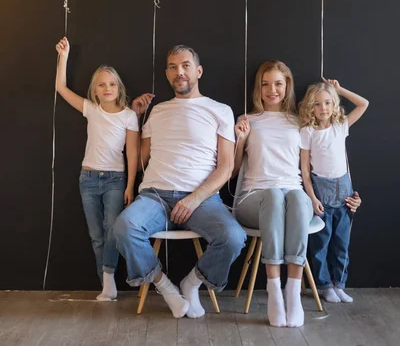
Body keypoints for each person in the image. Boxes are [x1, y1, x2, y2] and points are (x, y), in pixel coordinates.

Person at [113, 45, 246, 319]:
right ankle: (166, 287)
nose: (179, 72)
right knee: (124, 228)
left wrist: (194, 198)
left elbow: (226, 167)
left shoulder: (220, 110)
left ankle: (192, 282)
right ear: (167, 74)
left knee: (233, 237)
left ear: (198, 71)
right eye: (173, 67)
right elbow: (140, 163)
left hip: (203, 199)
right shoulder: (158, 111)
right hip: (155, 196)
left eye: (185, 65)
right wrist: (136, 117)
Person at [55, 37, 140, 301]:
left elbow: (133, 154)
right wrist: (64, 56)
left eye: (112, 84)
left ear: (119, 87)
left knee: (112, 229)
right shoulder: (91, 109)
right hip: (88, 179)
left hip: (115, 180)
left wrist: (129, 186)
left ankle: (110, 278)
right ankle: (107, 283)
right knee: (96, 235)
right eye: (102, 84)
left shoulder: (128, 116)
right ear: (95, 88)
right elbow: (60, 87)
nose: (107, 88)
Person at [234, 60, 312, 328]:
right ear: (258, 88)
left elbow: (316, 161)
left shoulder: (301, 121)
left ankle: (293, 291)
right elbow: (232, 171)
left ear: (287, 85)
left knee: (297, 197)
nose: (271, 90)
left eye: (278, 83)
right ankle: (273, 290)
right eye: (265, 84)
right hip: (253, 198)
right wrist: (241, 140)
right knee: (275, 195)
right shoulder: (248, 120)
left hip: (292, 196)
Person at [299, 78, 368, 304]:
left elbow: (363, 104)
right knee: (321, 243)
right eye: (317, 104)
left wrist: (339, 89)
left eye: (328, 103)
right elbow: (305, 171)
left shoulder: (341, 127)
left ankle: (340, 283)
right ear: (311, 106)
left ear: (335, 105)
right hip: (322, 192)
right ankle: (324, 284)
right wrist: (312, 197)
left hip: (344, 191)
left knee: (341, 244)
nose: (323, 108)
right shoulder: (308, 132)